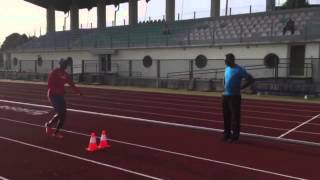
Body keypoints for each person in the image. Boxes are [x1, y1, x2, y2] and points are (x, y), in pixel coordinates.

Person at [45, 58, 82, 139]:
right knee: (61, 113)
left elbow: (71, 84)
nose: (65, 66)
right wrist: (57, 91)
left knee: (63, 115)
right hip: (52, 95)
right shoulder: (54, 72)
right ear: (60, 64)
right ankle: (50, 126)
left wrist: (78, 92)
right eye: (64, 64)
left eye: (66, 65)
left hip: (60, 96)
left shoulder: (66, 74)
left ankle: (53, 129)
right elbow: (49, 85)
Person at [222, 53, 254, 142]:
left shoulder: (239, 70)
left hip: (234, 97)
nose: (224, 61)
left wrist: (241, 87)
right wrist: (224, 85)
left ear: (231, 60)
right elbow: (225, 78)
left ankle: (235, 136)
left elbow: (251, 79)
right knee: (226, 116)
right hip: (225, 95)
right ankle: (226, 134)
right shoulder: (227, 68)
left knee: (235, 117)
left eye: (226, 60)